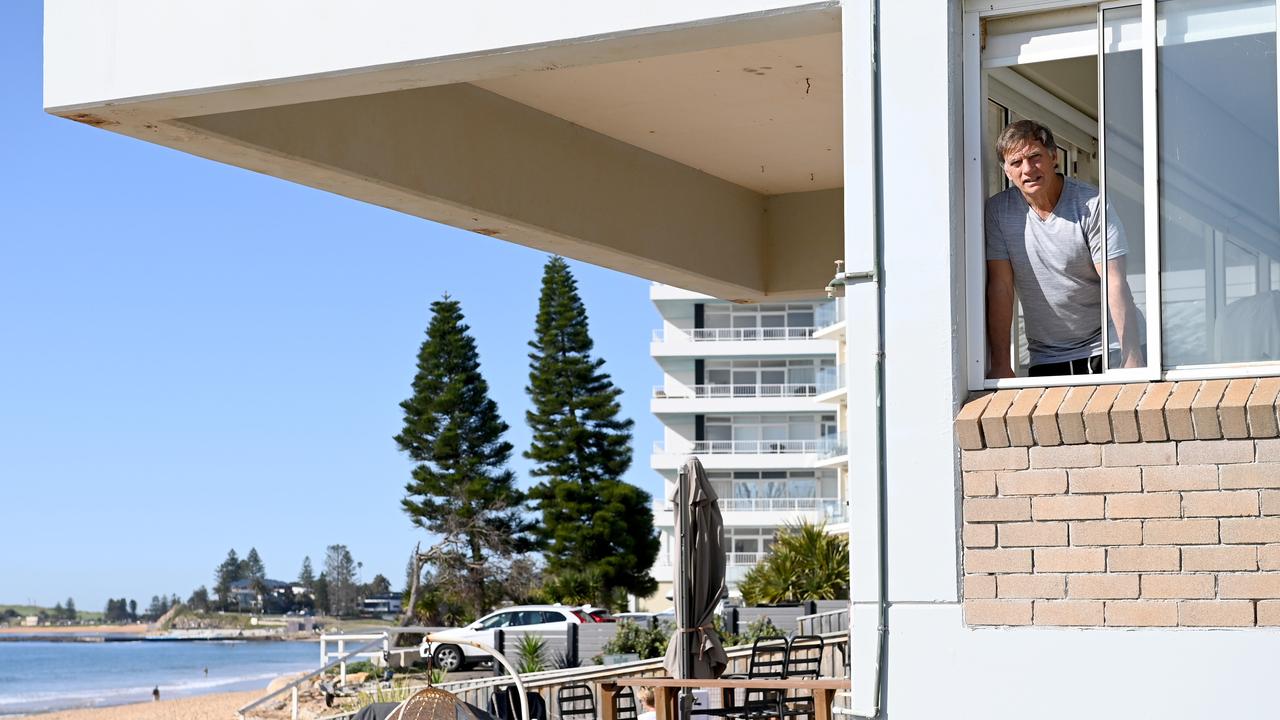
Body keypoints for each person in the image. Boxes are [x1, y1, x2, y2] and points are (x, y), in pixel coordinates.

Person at [985, 119, 1145, 378]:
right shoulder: (998, 212)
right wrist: (1001, 364)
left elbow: (1114, 281)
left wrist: (1132, 356)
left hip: (1110, 345)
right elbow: (1000, 287)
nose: (1027, 169)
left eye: (1035, 157)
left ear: (1054, 157)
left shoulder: (1091, 203)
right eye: (1016, 163)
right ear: (1007, 172)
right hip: (1047, 354)